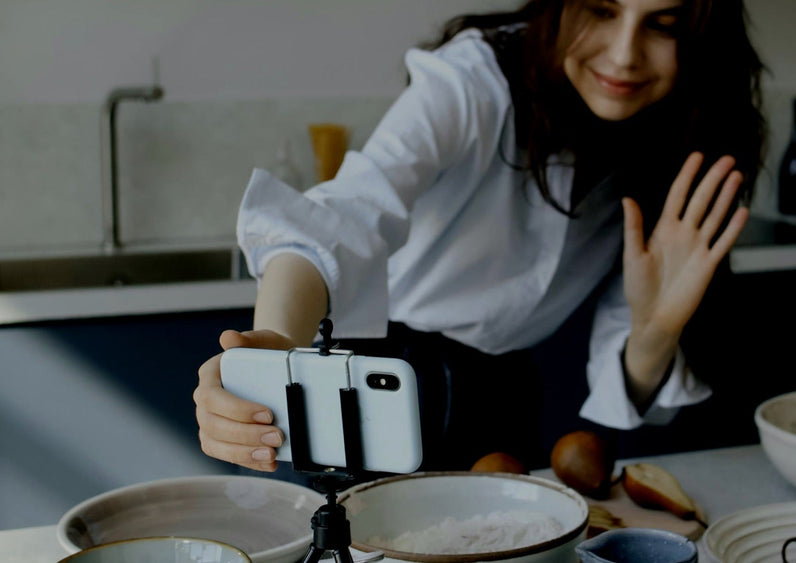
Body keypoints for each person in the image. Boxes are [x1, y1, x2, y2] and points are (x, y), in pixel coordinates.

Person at [194, 0, 765, 475]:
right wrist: (274, 343)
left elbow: (630, 374)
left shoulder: (679, 139)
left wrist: (656, 330)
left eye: (662, 25)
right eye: (601, 9)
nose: (623, 54)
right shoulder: (475, 78)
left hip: (502, 392)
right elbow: (349, 212)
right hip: (377, 378)